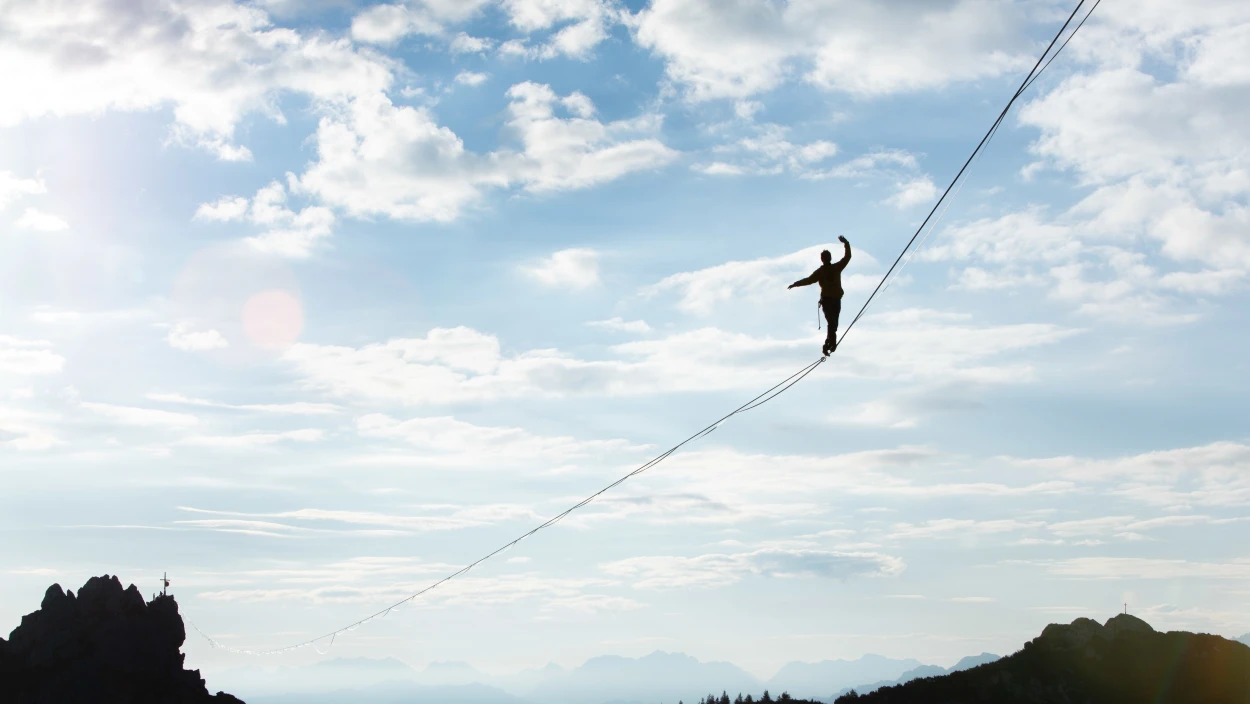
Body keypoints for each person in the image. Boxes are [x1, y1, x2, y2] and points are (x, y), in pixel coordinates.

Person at [788, 236, 852, 356]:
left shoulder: (835, 268)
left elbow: (847, 257)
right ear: (822, 259)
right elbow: (808, 280)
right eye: (824, 257)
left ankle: (828, 344)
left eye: (826, 257)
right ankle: (830, 344)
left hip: (835, 300)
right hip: (828, 301)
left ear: (828, 258)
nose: (826, 259)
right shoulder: (822, 271)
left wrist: (846, 244)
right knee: (832, 323)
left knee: (834, 325)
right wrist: (796, 284)